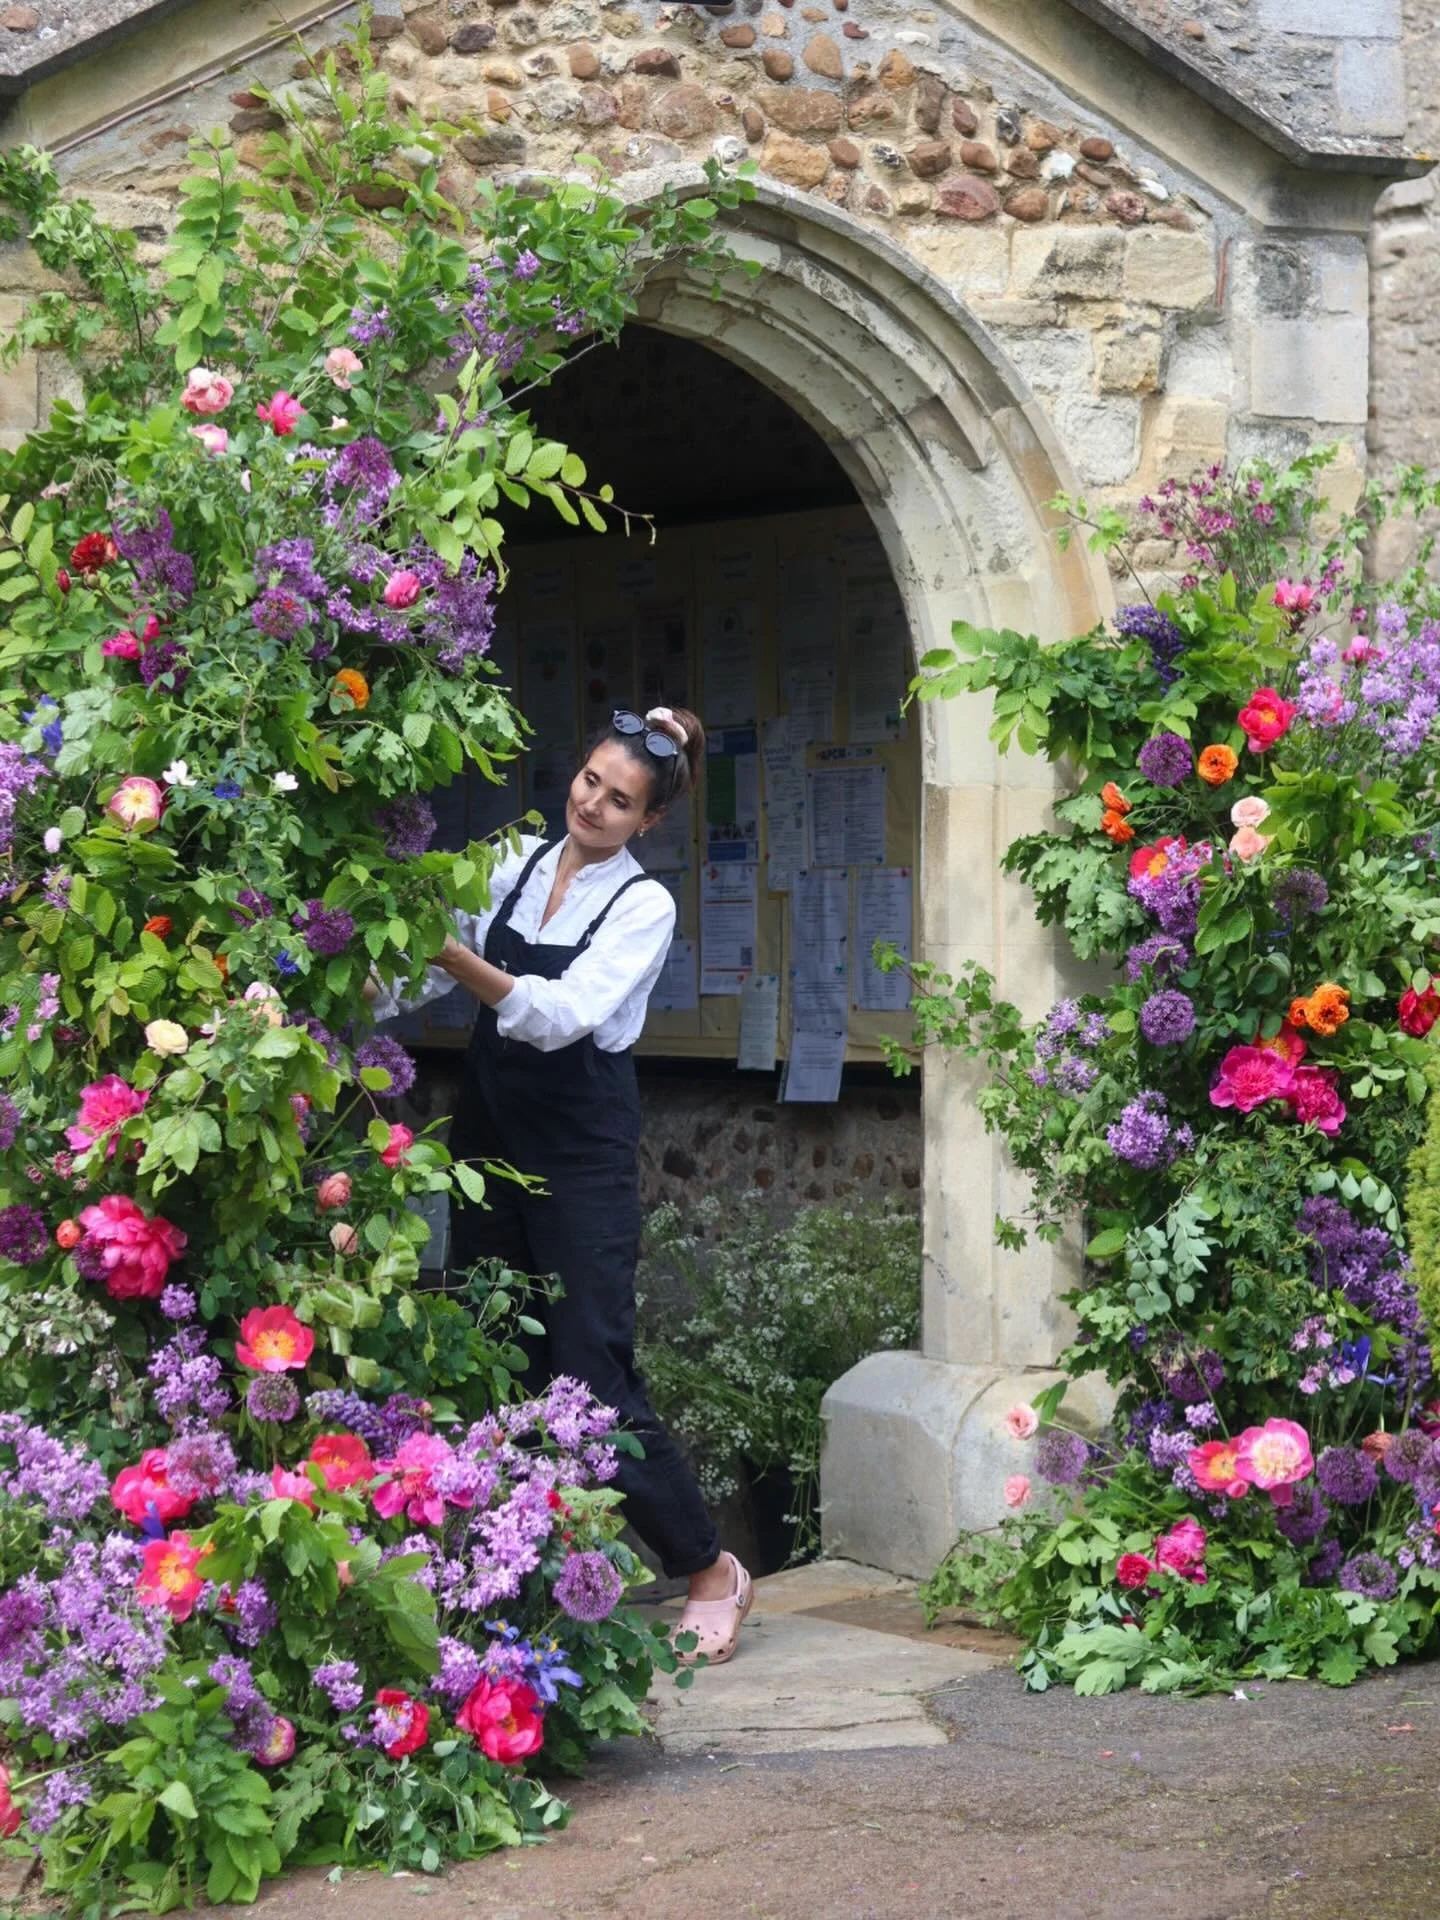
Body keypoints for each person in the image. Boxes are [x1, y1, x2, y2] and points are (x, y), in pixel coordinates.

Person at [371, 706, 752, 1664]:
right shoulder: (518, 862)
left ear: (647, 821)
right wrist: (347, 992)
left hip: (579, 1152)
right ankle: (528, 1572)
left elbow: (559, 1016)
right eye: (590, 780)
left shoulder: (643, 908)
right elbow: (425, 973)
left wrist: (457, 957)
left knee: (590, 1371)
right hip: (490, 1131)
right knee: (497, 1348)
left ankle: (708, 1568)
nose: (593, 804)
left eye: (620, 800)